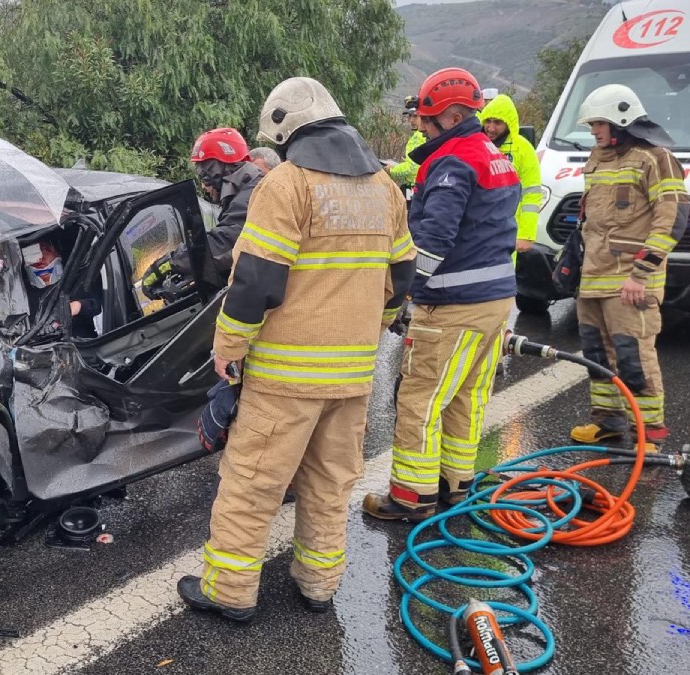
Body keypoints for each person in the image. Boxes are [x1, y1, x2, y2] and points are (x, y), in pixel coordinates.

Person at [176, 76, 415, 621]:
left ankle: (230, 592)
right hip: (353, 376)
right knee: (331, 484)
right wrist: (370, 333)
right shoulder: (384, 188)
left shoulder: (287, 186)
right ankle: (317, 584)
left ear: (284, 133)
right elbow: (402, 278)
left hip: (285, 378)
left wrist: (229, 347)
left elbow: (255, 279)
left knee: (253, 483)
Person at [362, 67, 519, 522]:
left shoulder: (452, 162)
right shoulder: (492, 153)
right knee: (465, 398)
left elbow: (431, 242)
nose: (420, 129)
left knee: (420, 401)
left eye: (426, 122)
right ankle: (456, 485)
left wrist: (400, 297)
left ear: (450, 116)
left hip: (455, 305)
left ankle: (411, 496)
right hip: (494, 302)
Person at [567, 84, 688, 446]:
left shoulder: (655, 158)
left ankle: (648, 432)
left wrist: (642, 274)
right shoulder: (597, 157)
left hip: (630, 281)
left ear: (620, 120)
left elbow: (674, 217)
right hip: (592, 277)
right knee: (596, 355)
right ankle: (608, 422)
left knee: (633, 356)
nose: (594, 131)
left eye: (598, 124)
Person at [141, 128, 264, 294]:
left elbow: (223, 243)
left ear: (217, 174)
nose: (204, 186)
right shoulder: (249, 190)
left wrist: (169, 264)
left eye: (204, 176)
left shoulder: (252, 195)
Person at [480, 94, 541, 255]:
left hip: (509, 231)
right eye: (488, 121)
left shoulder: (523, 149)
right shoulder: (478, 145)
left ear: (509, 123)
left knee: (502, 276)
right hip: (478, 229)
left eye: (498, 123)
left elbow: (532, 193)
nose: (491, 128)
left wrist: (526, 234)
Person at [22, 238, 102, 338]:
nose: (40, 258)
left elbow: (101, 308)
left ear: (58, 254)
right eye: (31, 254)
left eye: (45, 250)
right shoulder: (22, 297)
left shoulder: (79, 281)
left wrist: (78, 306)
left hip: (83, 345)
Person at [387, 95, 425, 190]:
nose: (411, 120)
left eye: (415, 116)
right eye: (410, 116)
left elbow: (411, 168)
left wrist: (391, 170)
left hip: (416, 188)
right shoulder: (421, 135)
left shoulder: (419, 136)